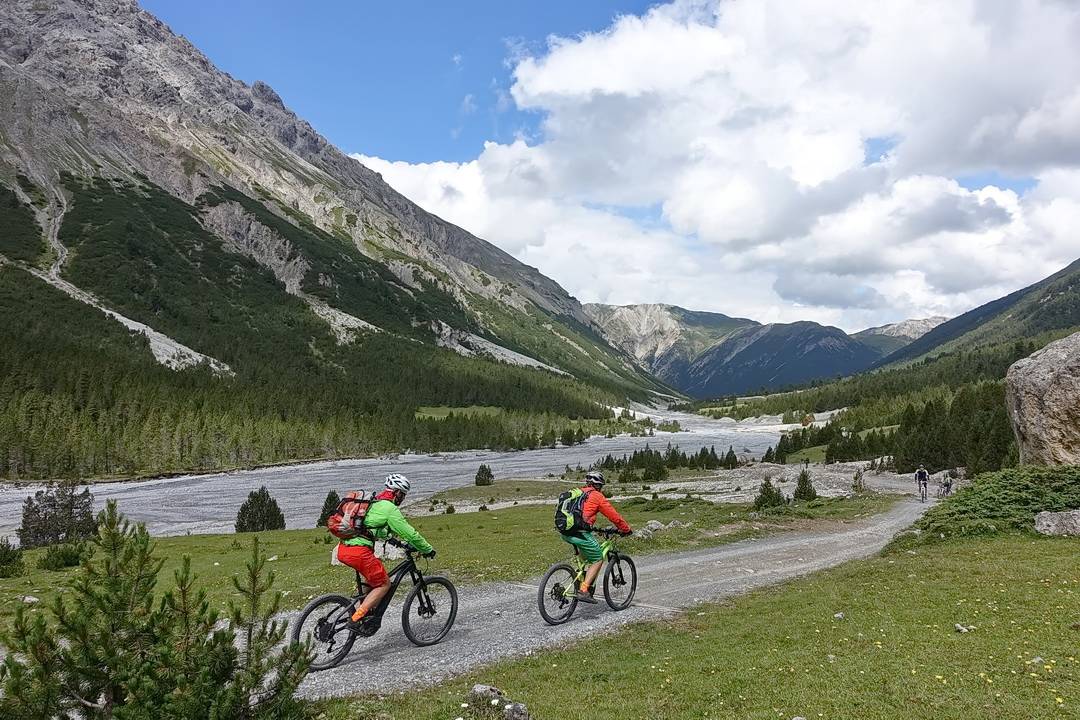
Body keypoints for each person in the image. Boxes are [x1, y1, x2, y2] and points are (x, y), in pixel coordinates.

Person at [337, 474, 435, 630]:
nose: (402, 498)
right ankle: (356, 619)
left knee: (374, 574)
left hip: (343, 549)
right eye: (402, 494)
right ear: (395, 492)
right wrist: (428, 549)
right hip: (359, 552)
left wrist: (393, 540)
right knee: (384, 584)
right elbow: (410, 533)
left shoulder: (374, 503)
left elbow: (373, 529)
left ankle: (360, 605)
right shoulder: (389, 508)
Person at [560, 470, 632, 603]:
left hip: (565, 532)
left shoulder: (579, 493)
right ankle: (584, 590)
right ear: (598, 485)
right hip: (579, 533)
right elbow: (614, 516)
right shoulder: (597, 496)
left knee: (588, 559)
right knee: (598, 558)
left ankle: (583, 580)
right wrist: (626, 529)